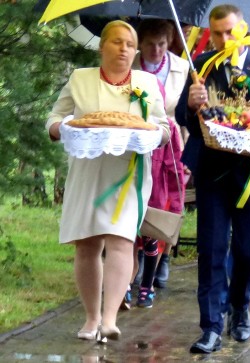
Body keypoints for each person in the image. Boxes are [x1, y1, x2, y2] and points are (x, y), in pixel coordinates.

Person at [175, 4, 250, 354]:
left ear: (244, 30)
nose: (224, 39)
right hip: (213, 168)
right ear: (210, 35)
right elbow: (185, 116)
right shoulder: (202, 66)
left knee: (247, 252)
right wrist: (191, 103)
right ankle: (210, 326)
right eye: (217, 34)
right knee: (211, 248)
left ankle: (240, 307)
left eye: (230, 32)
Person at [45, 20, 170, 341]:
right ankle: (91, 318)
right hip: (87, 173)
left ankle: (110, 319)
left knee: (121, 240)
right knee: (87, 244)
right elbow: (56, 118)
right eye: (116, 42)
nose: (124, 49)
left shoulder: (146, 82)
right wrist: (61, 129)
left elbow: (162, 126)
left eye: (130, 44)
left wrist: (157, 133)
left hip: (128, 174)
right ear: (102, 47)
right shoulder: (80, 79)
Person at [125, 18, 189, 308]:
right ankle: (128, 269)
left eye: (162, 43)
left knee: (162, 206)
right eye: (150, 44)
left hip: (169, 146)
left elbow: (185, 115)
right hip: (136, 144)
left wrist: (185, 157)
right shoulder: (129, 66)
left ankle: (156, 263)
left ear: (170, 41)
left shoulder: (182, 67)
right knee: (133, 205)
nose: (156, 50)